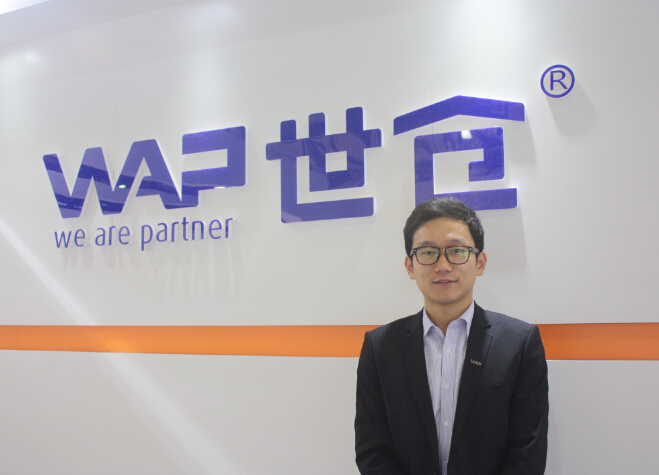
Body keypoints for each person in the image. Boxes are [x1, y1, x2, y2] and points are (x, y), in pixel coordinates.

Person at [355, 197, 548, 475]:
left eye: (457, 251)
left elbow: (527, 453)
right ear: (410, 266)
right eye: (427, 252)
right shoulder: (380, 348)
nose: (443, 265)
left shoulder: (519, 344)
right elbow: (372, 453)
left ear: (480, 262)